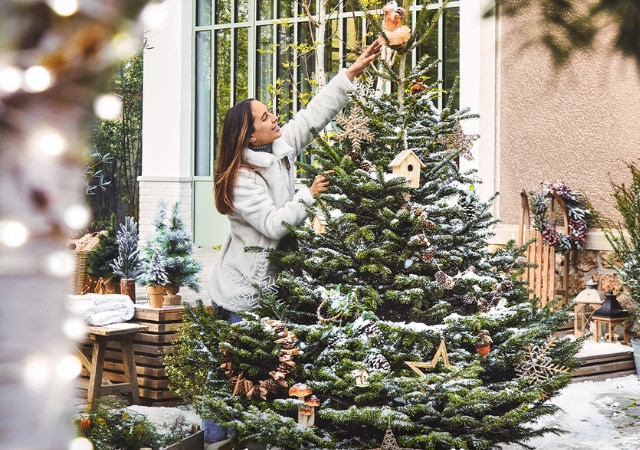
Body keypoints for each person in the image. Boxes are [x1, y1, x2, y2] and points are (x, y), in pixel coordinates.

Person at [207, 41, 381, 323]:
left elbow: (312, 116)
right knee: (237, 366)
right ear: (249, 136)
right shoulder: (242, 177)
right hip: (242, 297)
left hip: (276, 286)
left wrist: (349, 75)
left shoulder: (279, 147)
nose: (274, 118)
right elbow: (273, 226)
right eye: (265, 117)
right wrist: (309, 194)